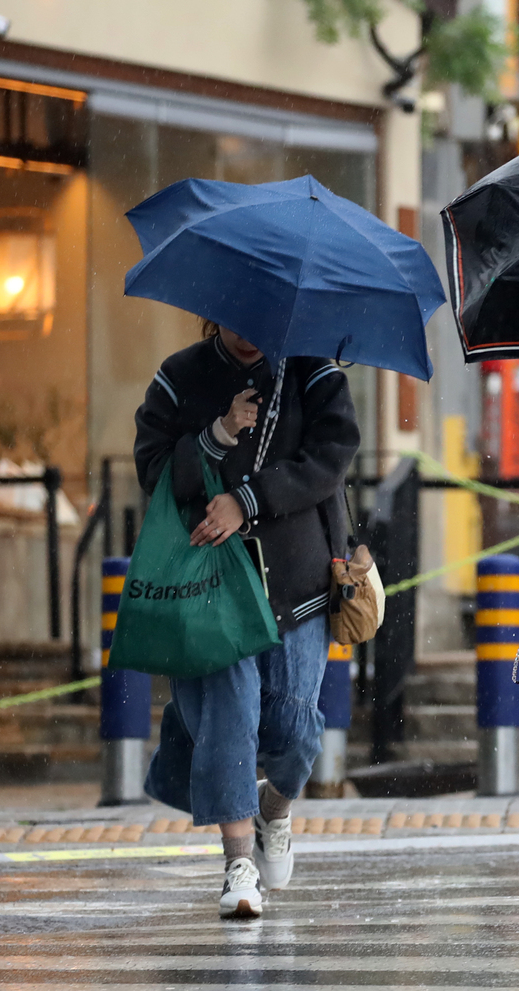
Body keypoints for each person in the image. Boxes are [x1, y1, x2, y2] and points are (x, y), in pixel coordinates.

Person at [133, 320, 360, 919]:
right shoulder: (179, 378)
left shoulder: (313, 369)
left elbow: (332, 455)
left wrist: (249, 500)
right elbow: (152, 468)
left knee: (296, 730)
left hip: (299, 584)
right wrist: (214, 435)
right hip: (210, 585)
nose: (249, 331)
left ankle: (274, 810)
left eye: (263, 317)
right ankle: (237, 863)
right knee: (230, 714)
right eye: (237, 315)